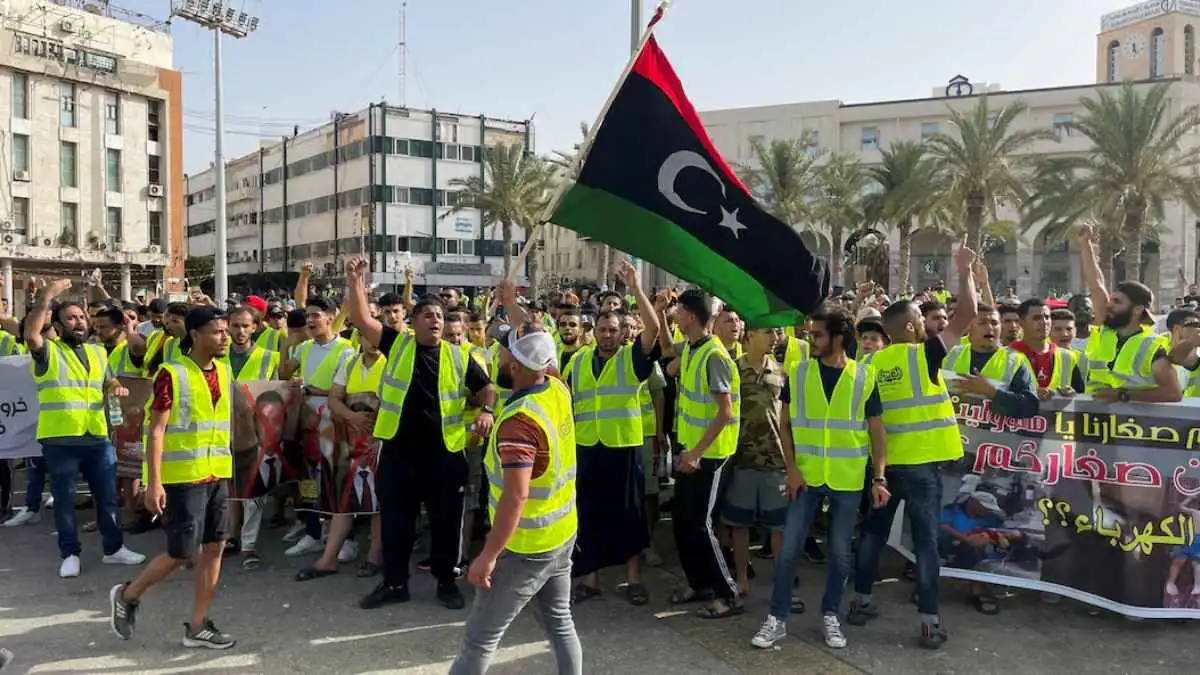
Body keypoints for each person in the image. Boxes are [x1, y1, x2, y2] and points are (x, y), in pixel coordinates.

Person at [344, 257, 495, 611]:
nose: (436, 320)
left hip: (446, 454)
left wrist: (487, 411)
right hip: (400, 452)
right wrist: (355, 281)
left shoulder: (459, 357)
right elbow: (362, 319)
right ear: (413, 321)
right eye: (428, 315)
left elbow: (487, 388)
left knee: (447, 523)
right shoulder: (396, 344)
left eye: (440, 315)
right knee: (396, 522)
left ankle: (447, 582)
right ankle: (394, 583)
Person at [851, 240, 978, 649]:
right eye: (920, 319)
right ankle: (928, 622)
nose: (926, 324)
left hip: (883, 468)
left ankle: (861, 602)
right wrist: (966, 270)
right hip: (922, 468)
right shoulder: (923, 356)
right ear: (909, 328)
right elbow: (968, 315)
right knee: (925, 544)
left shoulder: (870, 363)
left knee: (873, 536)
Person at [752, 307, 889, 650]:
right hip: (806, 477)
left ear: (838, 338)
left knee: (840, 554)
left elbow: (876, 431)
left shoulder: (864, 376)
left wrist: (879, 478)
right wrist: (792, 468)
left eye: (818, 335)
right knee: (788, 550)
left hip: (847, 479)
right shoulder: (798, 373)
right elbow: (784, 425)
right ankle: (777, 618)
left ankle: (831, 614)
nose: (811, 340)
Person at [450, 327, 582, 675]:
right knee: (560, 620)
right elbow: (539, 351)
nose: (498, 356)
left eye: (504, 352)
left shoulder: (519, 423)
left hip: (524, 546)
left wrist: (488, 556)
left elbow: (516, 495)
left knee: (479, 640)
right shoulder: (556, 388)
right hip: (561, 533)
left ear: (515, 366)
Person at [109, 307, 237, 649]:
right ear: (195, 334)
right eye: (217, 331)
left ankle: (198, 625)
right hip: (182, 476)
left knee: (216, 547)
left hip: (217, 472)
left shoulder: (224, 371)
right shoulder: (172, 373)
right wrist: (153, 482)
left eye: (226, 331)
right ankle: (128, 595)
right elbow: (156, 430)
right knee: (181, 553)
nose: (225, 337)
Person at [27, 279, 145, 578]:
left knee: (107, 498)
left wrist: (116, 388)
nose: (79, 322)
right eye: (70, 318)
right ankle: (70, 553)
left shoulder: (97, 352)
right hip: (61, 438)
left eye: (81, 317)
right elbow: (31, 334)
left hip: (97, 437)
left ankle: (114, 549)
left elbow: (109, 381)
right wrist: (47, 295)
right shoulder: (48, 351)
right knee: (65, 500)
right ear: (57, 325)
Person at [562, 261, 660, 606]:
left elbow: (653, 328)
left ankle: (633, 580)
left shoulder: (632, 359)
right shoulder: (577, 361)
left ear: (622, 334)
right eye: (602, 329)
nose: (606, 334)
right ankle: (590, 580)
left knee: (630, 515)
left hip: (624, 447)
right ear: (594, 331)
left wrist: (636, 288)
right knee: (589, 514)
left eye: (613, 330)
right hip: (587, 447)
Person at [941, 303, 1040, 614]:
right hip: (951, 456)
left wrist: (992, 392)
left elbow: (1030, 405)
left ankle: (978, 587)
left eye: (995, 323)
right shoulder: (950, 355)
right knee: (942, 518)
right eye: (983, 322)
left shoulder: (1015, 361)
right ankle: (930, 582)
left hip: (993, 461)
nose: (991, 328)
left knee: (983, 524)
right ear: (969, 327)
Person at [664, 289, 741, 619]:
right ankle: (698, 583)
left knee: (702, 523)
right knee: (683, 520)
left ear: (691, 316)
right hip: (691, 451)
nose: (676, 315)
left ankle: (727, 594)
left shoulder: (714, 356)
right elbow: (669, 364)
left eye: (679, 311)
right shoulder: (693, 349)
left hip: (710, 455)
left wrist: (696, 452)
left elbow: (725, 413)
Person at [1077, 223, 1181, 402]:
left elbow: (1173, 393)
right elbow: (1096, 284)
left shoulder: (1152, 346)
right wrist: (1085, 244)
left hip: (1132, 420)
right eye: (1110, 300)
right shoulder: (1105, 330)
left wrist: (1122, 395)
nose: (1109, 305)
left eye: (1117, 302)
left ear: (1138, 309)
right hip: (1091, 417)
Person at [721, 327, 787, 599]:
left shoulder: (781, 372)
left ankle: (782, 583)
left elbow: (787, 417)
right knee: (739, 525)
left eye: (776, 333)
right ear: (749, 336)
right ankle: (742, 579)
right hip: (742, 460)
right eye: (767, 332)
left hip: (776, 460)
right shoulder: (733, 369)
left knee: (779, 527)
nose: (774, 338)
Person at [1009, 299, 1084, 398]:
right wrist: (1031, 393)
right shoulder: (1005, 356)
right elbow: (996, 393)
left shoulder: (1067, 357)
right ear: (1021, 322)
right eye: (1036, 318)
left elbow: (1080, 395)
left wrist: (1072, 394)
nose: (1044, 322)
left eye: (1047, 317)